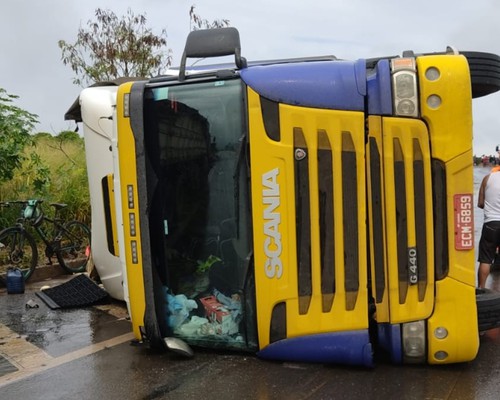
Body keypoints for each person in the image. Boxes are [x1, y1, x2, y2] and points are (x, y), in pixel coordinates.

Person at [477, 165, 500, 288]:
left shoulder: (487, 178)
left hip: (491, 224)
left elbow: (480, 203)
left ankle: (481, 289)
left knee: (485, 259)